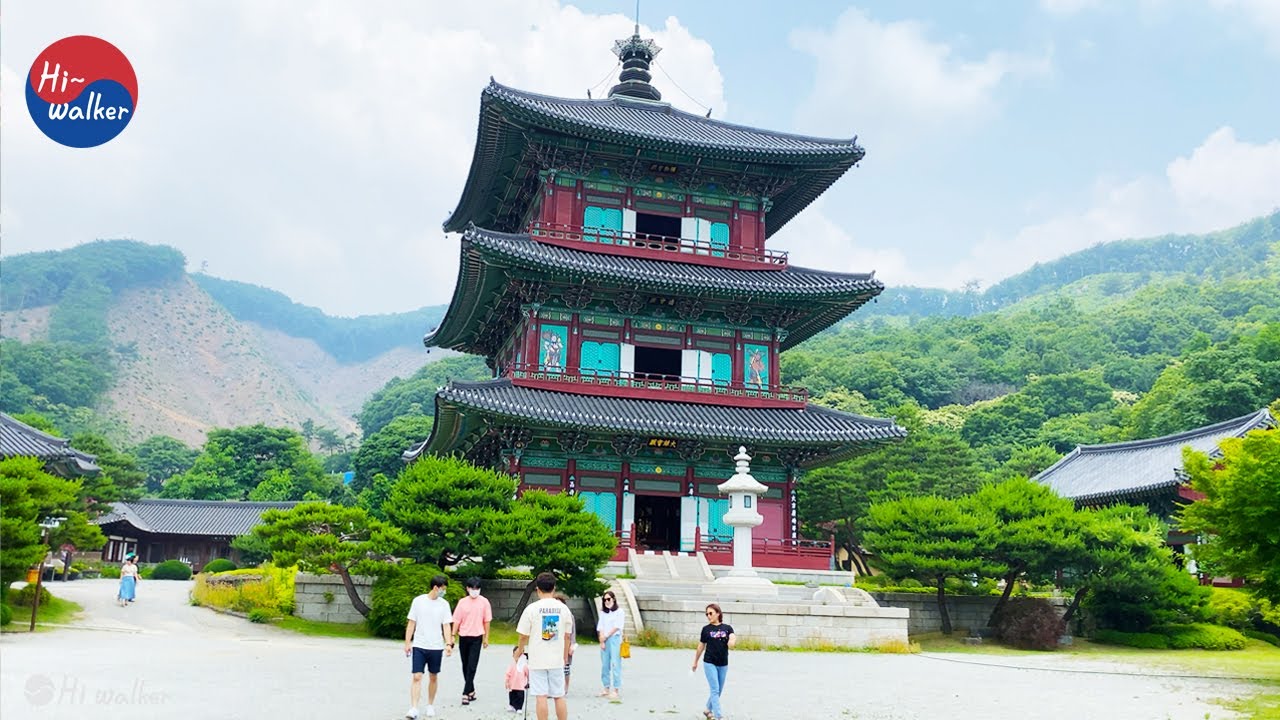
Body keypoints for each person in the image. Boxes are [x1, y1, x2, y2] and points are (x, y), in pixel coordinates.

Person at [515, 572, 573, 720]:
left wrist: (519, 651)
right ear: (554, 588)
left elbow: (523, 635)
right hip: (556, 658)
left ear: (537, 589)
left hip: (538, 658)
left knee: (541, 696)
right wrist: (565, 656)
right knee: (559, 695)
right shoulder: (563, 609)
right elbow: (567, 635)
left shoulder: (532, 609)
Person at [403, 575, 454, 719]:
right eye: (443, 589)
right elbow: (411, 623)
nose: (444, 591)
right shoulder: (418, 601)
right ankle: (414, 708)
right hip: (419, 645)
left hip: (436, 646)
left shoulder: (444, 604)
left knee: (433, 676)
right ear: (436, 587)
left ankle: (430, 704)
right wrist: (408, 642)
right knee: (417, 676)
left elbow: (446, 625)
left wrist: (448, 643)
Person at [691, 603, 735, 720]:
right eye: (707, 614)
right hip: (709, 662)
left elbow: (732, 636)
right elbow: (701, 646)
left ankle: (707, 709)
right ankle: (718, 716)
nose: (708, 616)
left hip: (723, 663)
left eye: (711, 613)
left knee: (719, 690)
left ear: (718, 613)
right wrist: (695, 661)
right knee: (715, 689)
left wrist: (731, 641)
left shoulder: (727, 628)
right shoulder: (706, 629)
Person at [452, 577, 492, 706]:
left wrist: (486, 638)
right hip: (464, 636)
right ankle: (471, 690)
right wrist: (453, 635)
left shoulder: (484, 602)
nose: (475, 591)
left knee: (472, 665)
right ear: (468, 588)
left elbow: (487, 621)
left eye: (477, 589)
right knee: (465, 664)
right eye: (472, 588)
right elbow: (457, 620)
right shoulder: (462, 602)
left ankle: (465, 693)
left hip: (477, 637)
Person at [596, 589, 625, 700]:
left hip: (615, 638)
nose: (606, 601)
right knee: (605, 664)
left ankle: (616, 689)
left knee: (615, 663)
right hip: (605, 639)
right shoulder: (603, 613)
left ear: (613, 599)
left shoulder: (620, 612)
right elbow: (600, 626)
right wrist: (602, 640)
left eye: (608, 599)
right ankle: (606, 687)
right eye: (604, 600)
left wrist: (606, 636)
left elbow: (617, 626)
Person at [553, 592, 576, 693]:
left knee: (565, 667)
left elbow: (572, 632)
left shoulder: (569, 615)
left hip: (566, 644)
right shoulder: (552, 615)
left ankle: (565, 687)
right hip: (555, 644)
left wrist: (572, 644)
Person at [504, 646, 529, 714]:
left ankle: (519, 707)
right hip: (512, 684)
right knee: (512, 695)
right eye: (516, 654)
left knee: (520, 697)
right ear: (513, 655)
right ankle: (511, 705)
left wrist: (529, 682)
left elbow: (528, 673)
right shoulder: (511, 665)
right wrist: (506, 681)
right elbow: (507, 674)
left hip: (521, 685)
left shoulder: (524, 665)